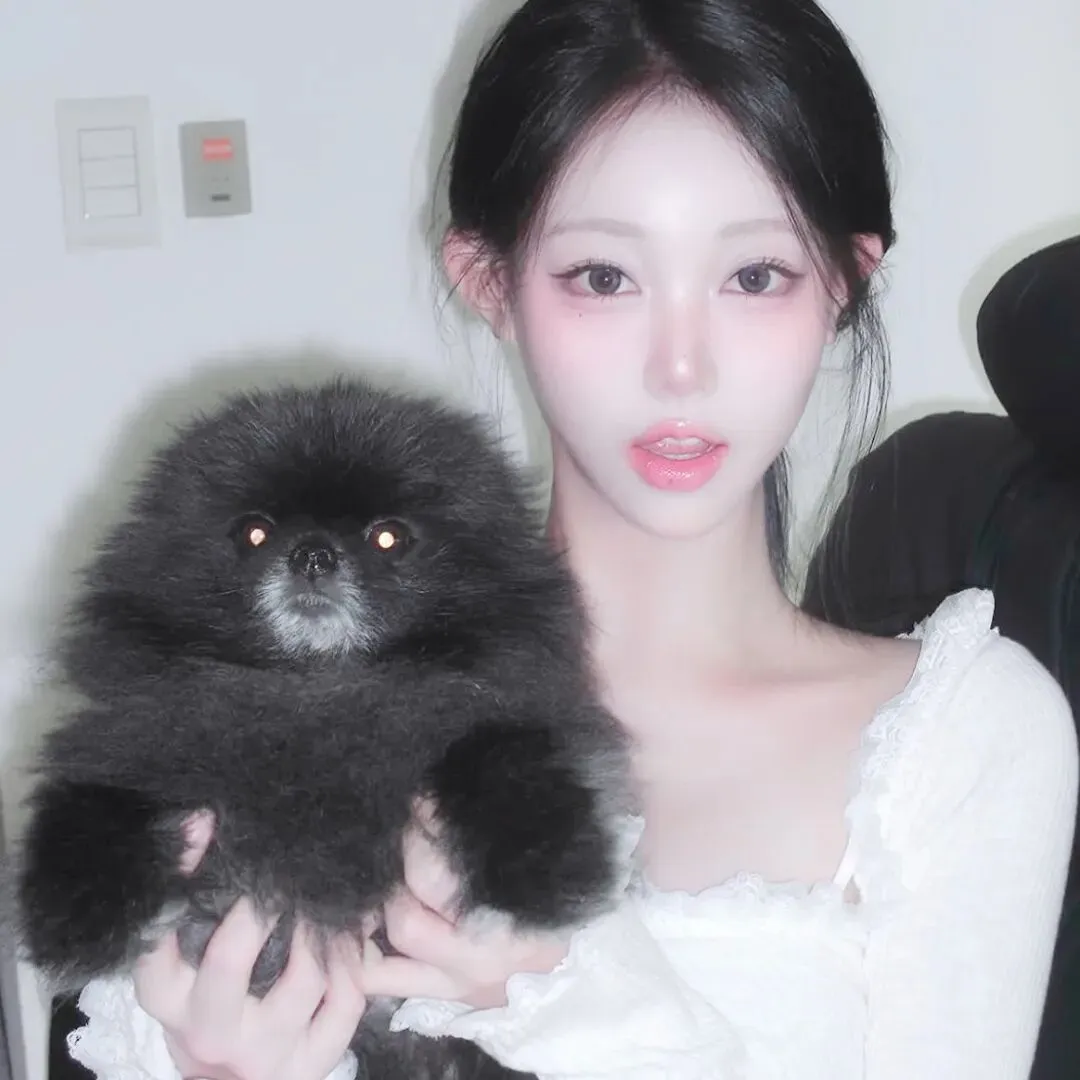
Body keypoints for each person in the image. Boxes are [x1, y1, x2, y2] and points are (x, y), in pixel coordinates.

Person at [62, 0, 1079, 1078]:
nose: (681, 366)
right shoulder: (256, 697)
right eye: (604, 277)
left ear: (842, 281)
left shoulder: (961, 740)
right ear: (489, 281)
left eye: (754, 276)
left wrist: (567, 1002)